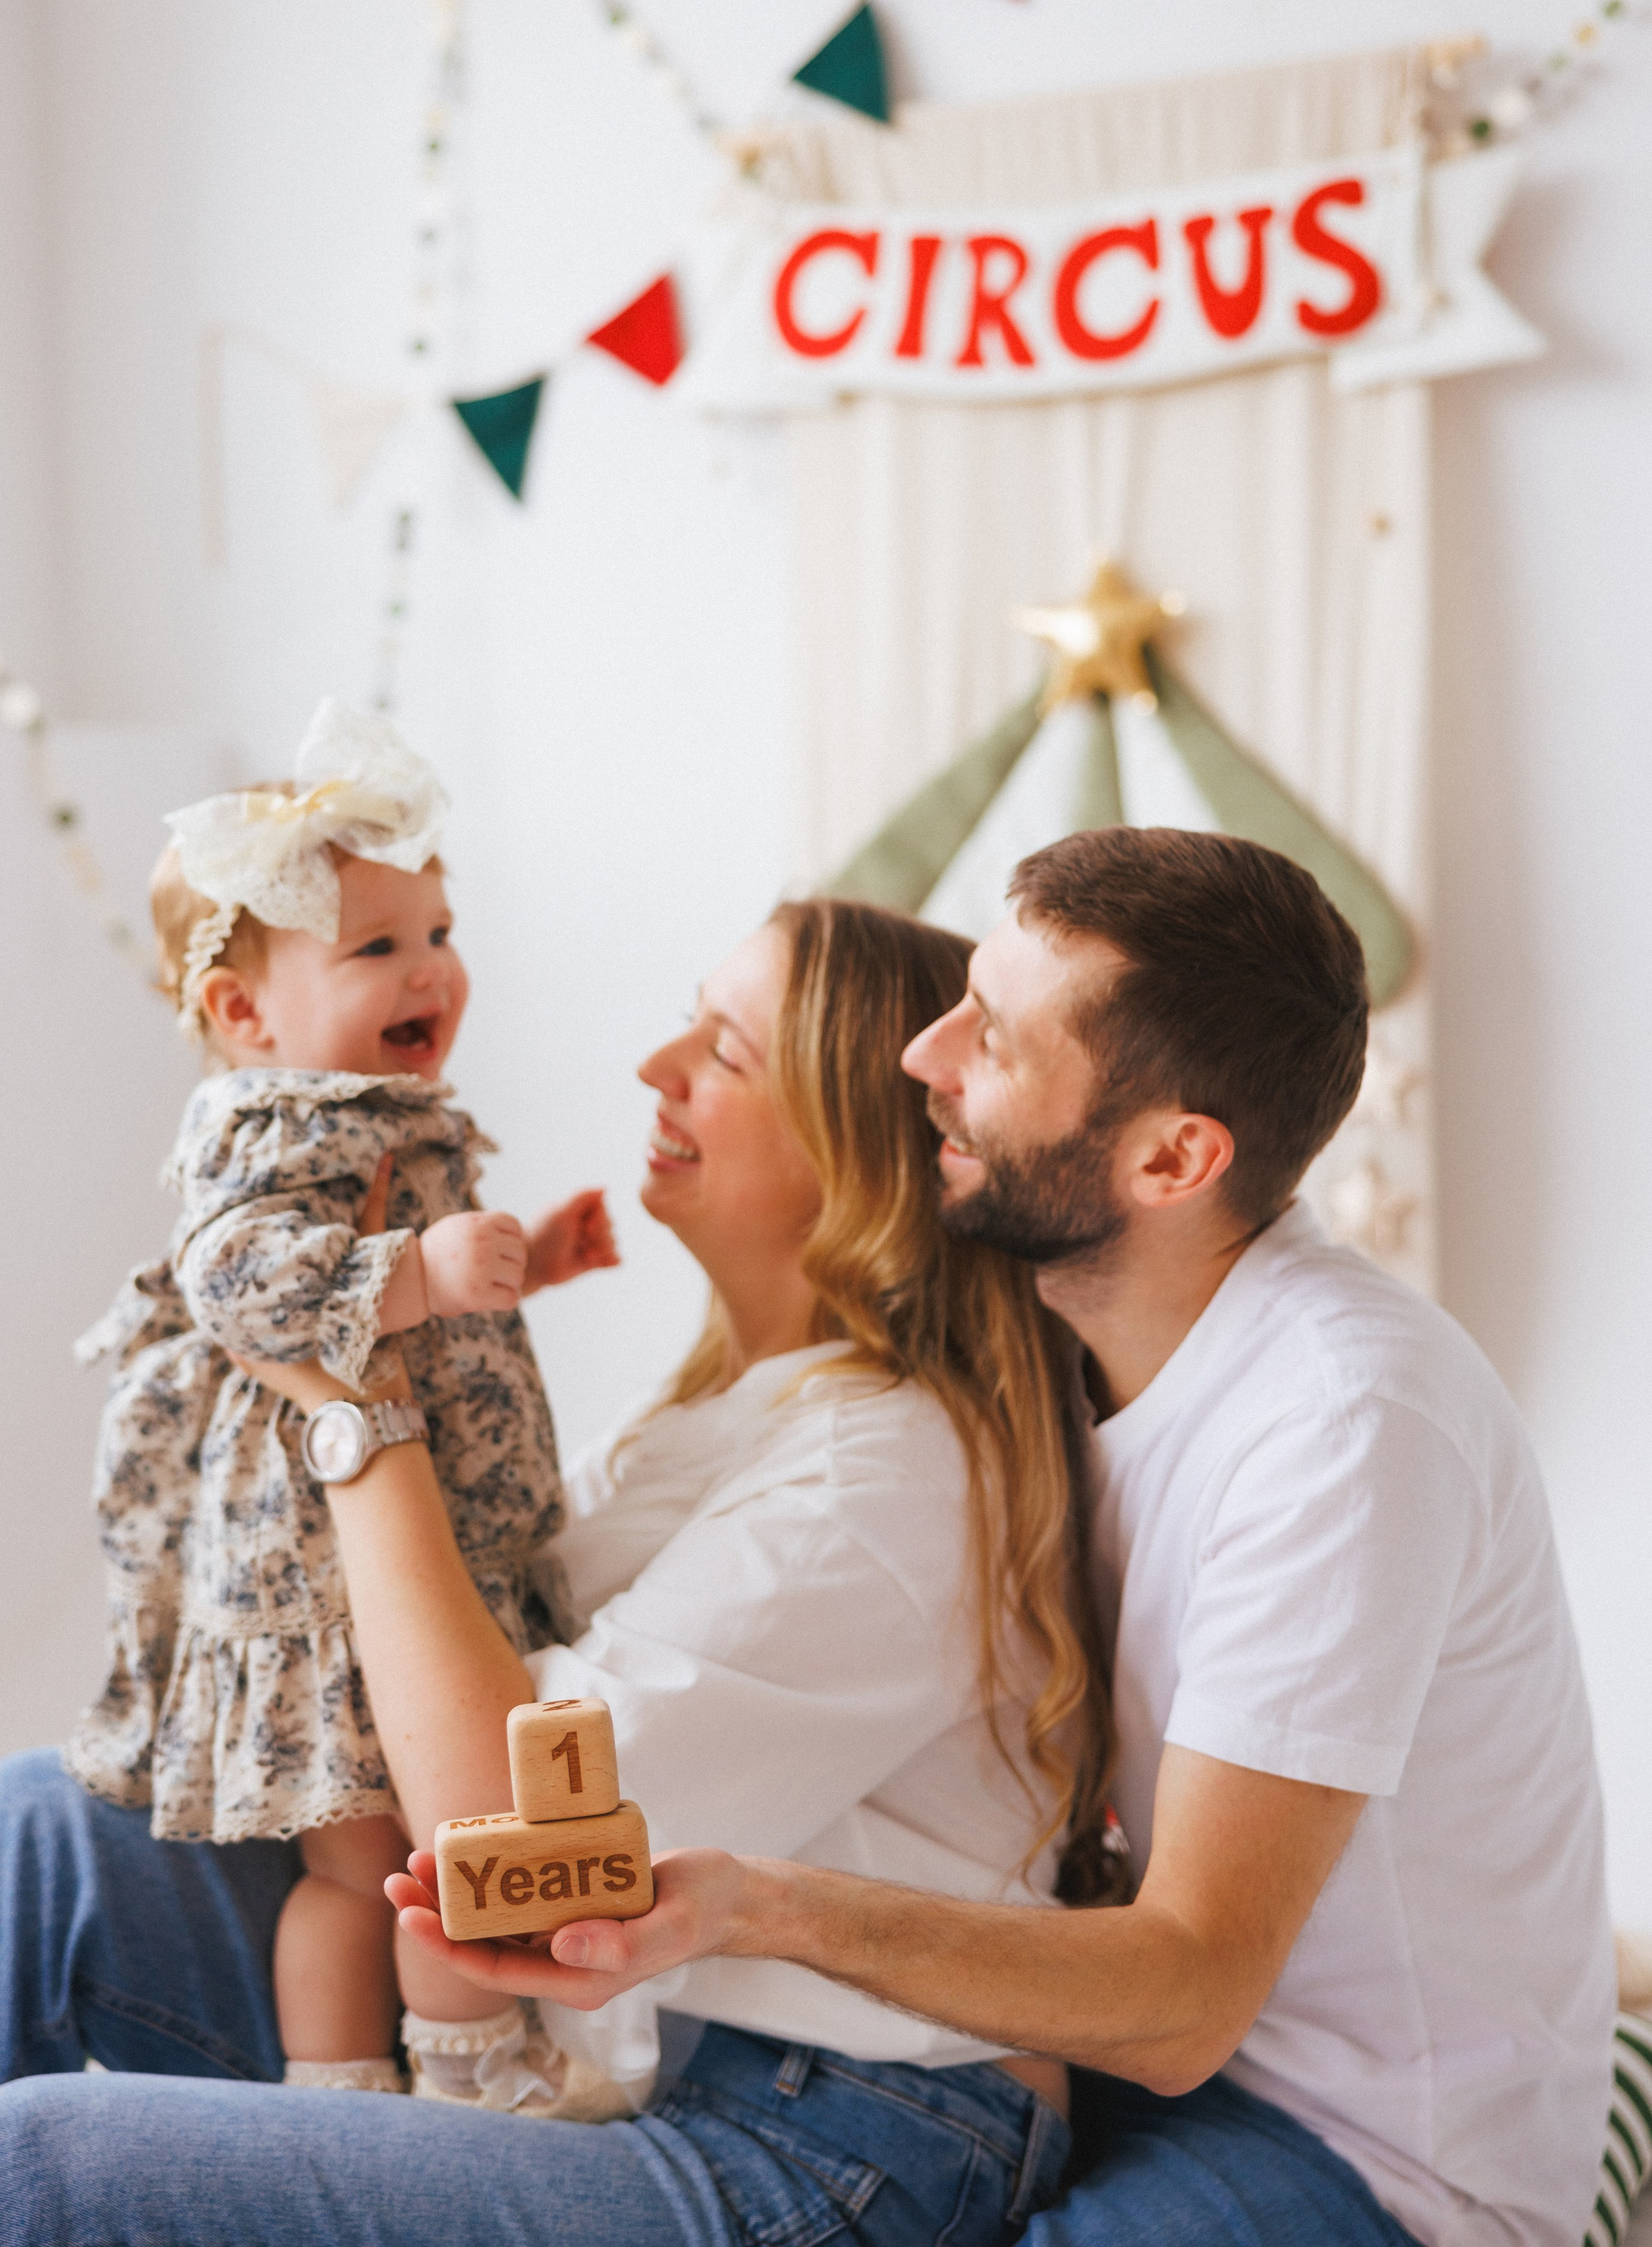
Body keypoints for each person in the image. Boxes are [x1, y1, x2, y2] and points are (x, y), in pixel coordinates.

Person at [387, 830, 1617, 2247]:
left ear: (1170, 1156)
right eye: (961, 994)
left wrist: (757, 1903)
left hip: (1364, 2148)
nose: (922, 1055)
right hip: (1142, 2064)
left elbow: (1183, 1995)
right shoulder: (1055, 1355)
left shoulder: (1340, 1417)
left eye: (995, 1038)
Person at [0, 898, 1111, 2247]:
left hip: (830, 2127)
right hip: (586, 2025)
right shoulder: (713, 1414)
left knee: (45, 2164)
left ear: (857, 1156)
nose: (660, 1065)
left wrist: (352, 1397)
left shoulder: (885, 1472)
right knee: (43, 1829)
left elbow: (494, 1826)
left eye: (727, 1049)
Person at [63, 697, 617, 2108]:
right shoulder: (263, 1125)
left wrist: (522, 1261)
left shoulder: (381, 1112)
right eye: (378, 947)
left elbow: (415, 1312)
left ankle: (445, 2066)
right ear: (244, 1013)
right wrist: (417, 1266)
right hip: (324, 1567)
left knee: (412, 1843)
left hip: (420, 1535)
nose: (431, 968)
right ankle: (376, 2082)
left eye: (438, 931)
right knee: (368, 1862)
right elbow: (240, 1279)